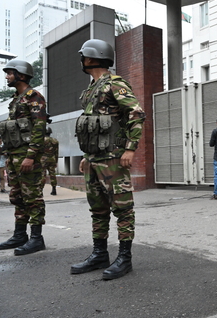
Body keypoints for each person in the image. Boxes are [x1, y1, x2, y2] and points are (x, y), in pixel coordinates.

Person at [70, 39, 145, 280]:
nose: (81, 60)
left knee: (123, 210)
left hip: (113, 159)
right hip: (94, 160)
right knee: (98, 210)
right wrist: (86, 156)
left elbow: (136, 113)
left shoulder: (115, 84)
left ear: (92, 58)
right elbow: (90, 128)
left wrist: (130, 149)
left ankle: (125, 258)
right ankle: (99, 253)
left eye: (83, 56)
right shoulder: (91, 89)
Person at [0, 59, 47, 255]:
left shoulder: (33, 97)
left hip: (28, 157)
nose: (7, 76)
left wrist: (31, 156)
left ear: (21, 75)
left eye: (10, 73)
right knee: (17, 196)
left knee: (32, 197)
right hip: (14, 156)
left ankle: (36, 238)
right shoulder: (16, 100)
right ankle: (20, 235)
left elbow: (39, 128)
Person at [40, 127, 59, 196]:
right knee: (52, 174)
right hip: (52, 159)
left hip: (43, 159)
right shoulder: (55, 140)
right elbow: (56, 152)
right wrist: (56, 161)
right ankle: (54, 189)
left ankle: (41, 190)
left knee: (42, 174)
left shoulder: (41, 140)